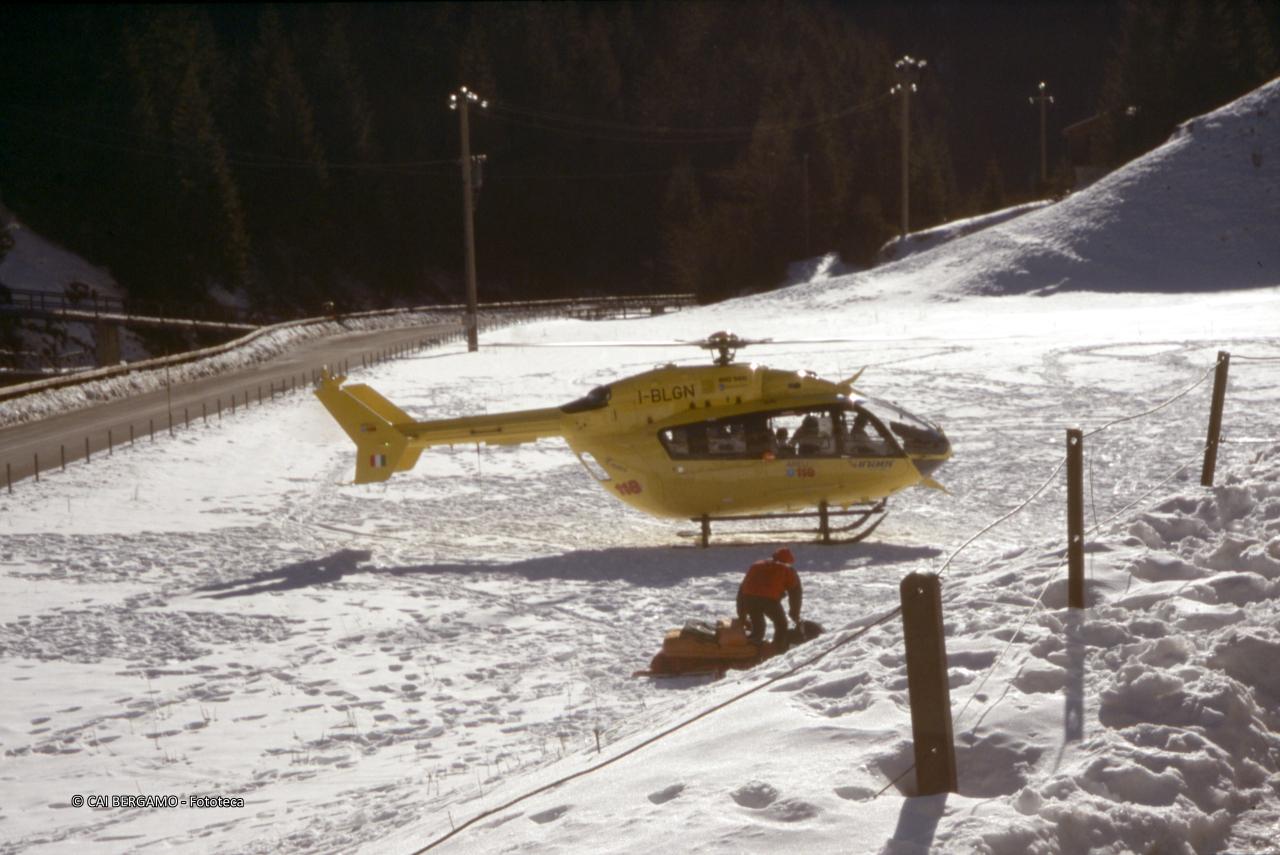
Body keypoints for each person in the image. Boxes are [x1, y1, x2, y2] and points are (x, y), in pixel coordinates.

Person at [736, 547, 803, 654]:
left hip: (749, 598)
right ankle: (778, 651)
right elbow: (795, 594)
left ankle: (751, 652)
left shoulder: (756, 565)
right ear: (789, 561)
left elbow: (742, 589)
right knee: (781, 624)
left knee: (758, 627)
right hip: (769, 600)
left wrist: (742, 614)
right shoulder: (788, 570)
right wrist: (794, 614)